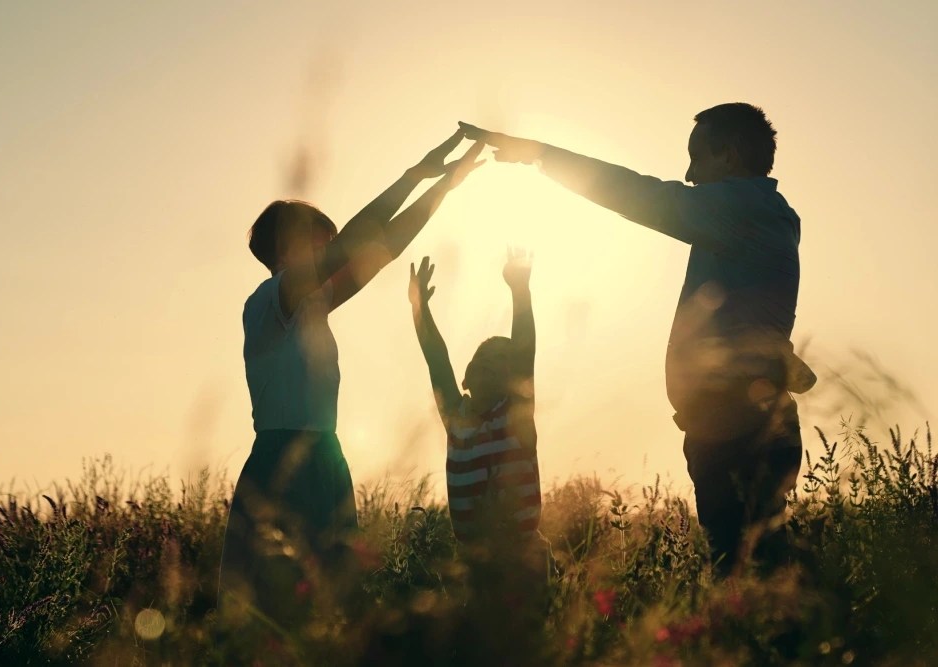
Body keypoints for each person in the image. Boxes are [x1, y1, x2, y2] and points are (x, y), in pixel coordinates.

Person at [460, 103, 816, 576]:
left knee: (744, 575)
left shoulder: (742, 208)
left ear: (728, 155)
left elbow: (640, 195)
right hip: (733, 420)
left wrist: (539, 154)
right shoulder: (761, 216)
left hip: (737, 425)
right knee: (751, 567)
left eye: (697, 157)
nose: (688, 174)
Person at [218, 130, 485, 625]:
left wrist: (446, 184)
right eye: (320, 239)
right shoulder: (269, 301)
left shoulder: (312, 304)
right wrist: (411, 176)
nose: (330, 247)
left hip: (323, 459)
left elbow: (383, 245)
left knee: (330, 612)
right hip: (285, 465)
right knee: (275, 613)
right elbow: (355, 244)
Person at [408, 249, 552, 633]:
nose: (493, 359)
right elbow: (436, 359)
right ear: (467, 376)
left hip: (523, 559)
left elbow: (525, 349)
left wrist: (520, 290)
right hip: (472, 561)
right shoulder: (456, 419)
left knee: (527, 645)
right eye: (482, 357)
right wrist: (420, 309)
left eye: (503, 359)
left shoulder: (516, 416)